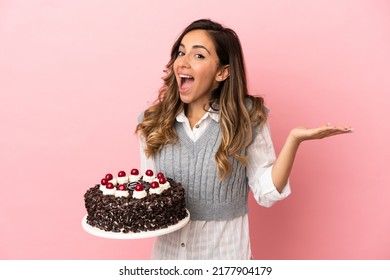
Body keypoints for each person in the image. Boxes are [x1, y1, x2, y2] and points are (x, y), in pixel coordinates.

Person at [135, 19, 352, 259]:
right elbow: (148, 195)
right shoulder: (153, 123)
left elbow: (267, 193)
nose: (183, 62)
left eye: (198, 56)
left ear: (222, 72)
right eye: (181, 52)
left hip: (226, 258)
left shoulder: (247, 118)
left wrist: (294, 140)